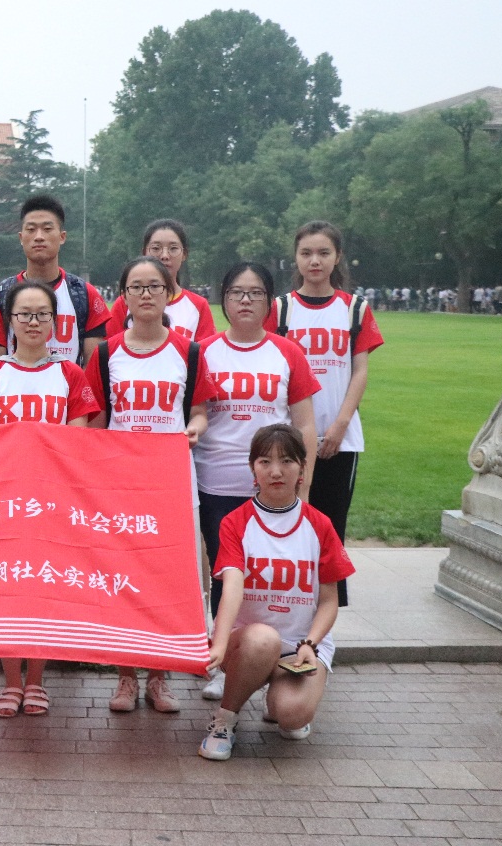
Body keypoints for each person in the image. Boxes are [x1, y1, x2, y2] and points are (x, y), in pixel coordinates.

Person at [84, 257, 214, 714]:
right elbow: (97, 420)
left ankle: (159, 676)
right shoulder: (106, 354)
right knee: (124, 577)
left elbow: (200, 410)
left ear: (167, 293)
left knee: (165, 577)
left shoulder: (188, 352)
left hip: (172, 478)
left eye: (154, 286)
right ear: (123, 296)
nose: (145, 294)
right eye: (135, 287)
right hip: (121, 482)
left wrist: (194, 428)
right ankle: (125, 676)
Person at [0, 280, 100, 717]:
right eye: (24, 314)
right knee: (8, 589)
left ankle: (37, 679)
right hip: (4, 500)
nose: (32, 322)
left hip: (51, 501)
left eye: (42, 314)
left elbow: (77, 442)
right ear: (10, 321)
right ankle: (11, 682)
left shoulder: (70, 374)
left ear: (55, 322)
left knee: (44, 587)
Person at [192, 261, 320, 702]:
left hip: (275, 486)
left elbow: (305, 424)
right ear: (223, 299)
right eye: (237, 292)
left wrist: (304, 486)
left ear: (270, 302)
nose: (246, 300)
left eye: (256, 293)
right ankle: (224, 662)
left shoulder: (287, 353)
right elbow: (194, 415)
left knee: (267, 576)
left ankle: (276, 660)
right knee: (224, 574)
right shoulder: (203, 352)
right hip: (217, 483)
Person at [199, 424, 355, 760]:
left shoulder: (320, 525)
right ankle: (225, 720)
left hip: (299, 648)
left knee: (291, 717)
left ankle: (280, 696)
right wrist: (220, 643)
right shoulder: (235, 522)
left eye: (286, 461)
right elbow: (232, 587)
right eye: (264, 461)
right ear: (252, 468)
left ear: (302, 468)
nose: (275, 471)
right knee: (263, 640)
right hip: (251, 643)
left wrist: (310, 644)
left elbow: (329, 601)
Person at [268, 222, 383, 607]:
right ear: (295, 258)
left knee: (330, 527)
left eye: (323, 253)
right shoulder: (280, 308)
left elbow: (359, 370)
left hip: (340, 439)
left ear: (337, 258)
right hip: (288, 442)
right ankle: (286, 607)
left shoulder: (354, 309)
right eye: (306, 253)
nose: (314, 261)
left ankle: (326, 615)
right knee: (284, 524)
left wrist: (340, 425)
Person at [0, 195, 111, 367]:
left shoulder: (84, 294)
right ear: (21, 238)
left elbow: (92, 368)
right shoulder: (1, 295)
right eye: (31, 229)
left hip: (69, 385)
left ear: (62, 237)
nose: (39, 237)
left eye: (47, 229)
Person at [107, 220, 216, 342]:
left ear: (184, 254)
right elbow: (111, 348)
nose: (164, 256)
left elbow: (204, 351)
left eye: (173, 248)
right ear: (144, 252)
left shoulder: (198, 306)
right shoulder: (126, 302)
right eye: (156, 248)